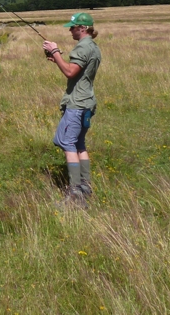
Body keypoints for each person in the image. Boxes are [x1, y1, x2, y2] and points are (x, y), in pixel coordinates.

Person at [42, 12, 101, 206]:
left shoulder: (83, 47)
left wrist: (56, 51)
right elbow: (76, 71)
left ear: (83, 28)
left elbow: (70, 71)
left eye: (73, 27)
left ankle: (75, 194)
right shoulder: (93, 47)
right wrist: (56, 59)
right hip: (87, 102)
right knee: (79, 144)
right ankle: (86, 186)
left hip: (77, 104)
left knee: (67, 143)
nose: (70, 30)